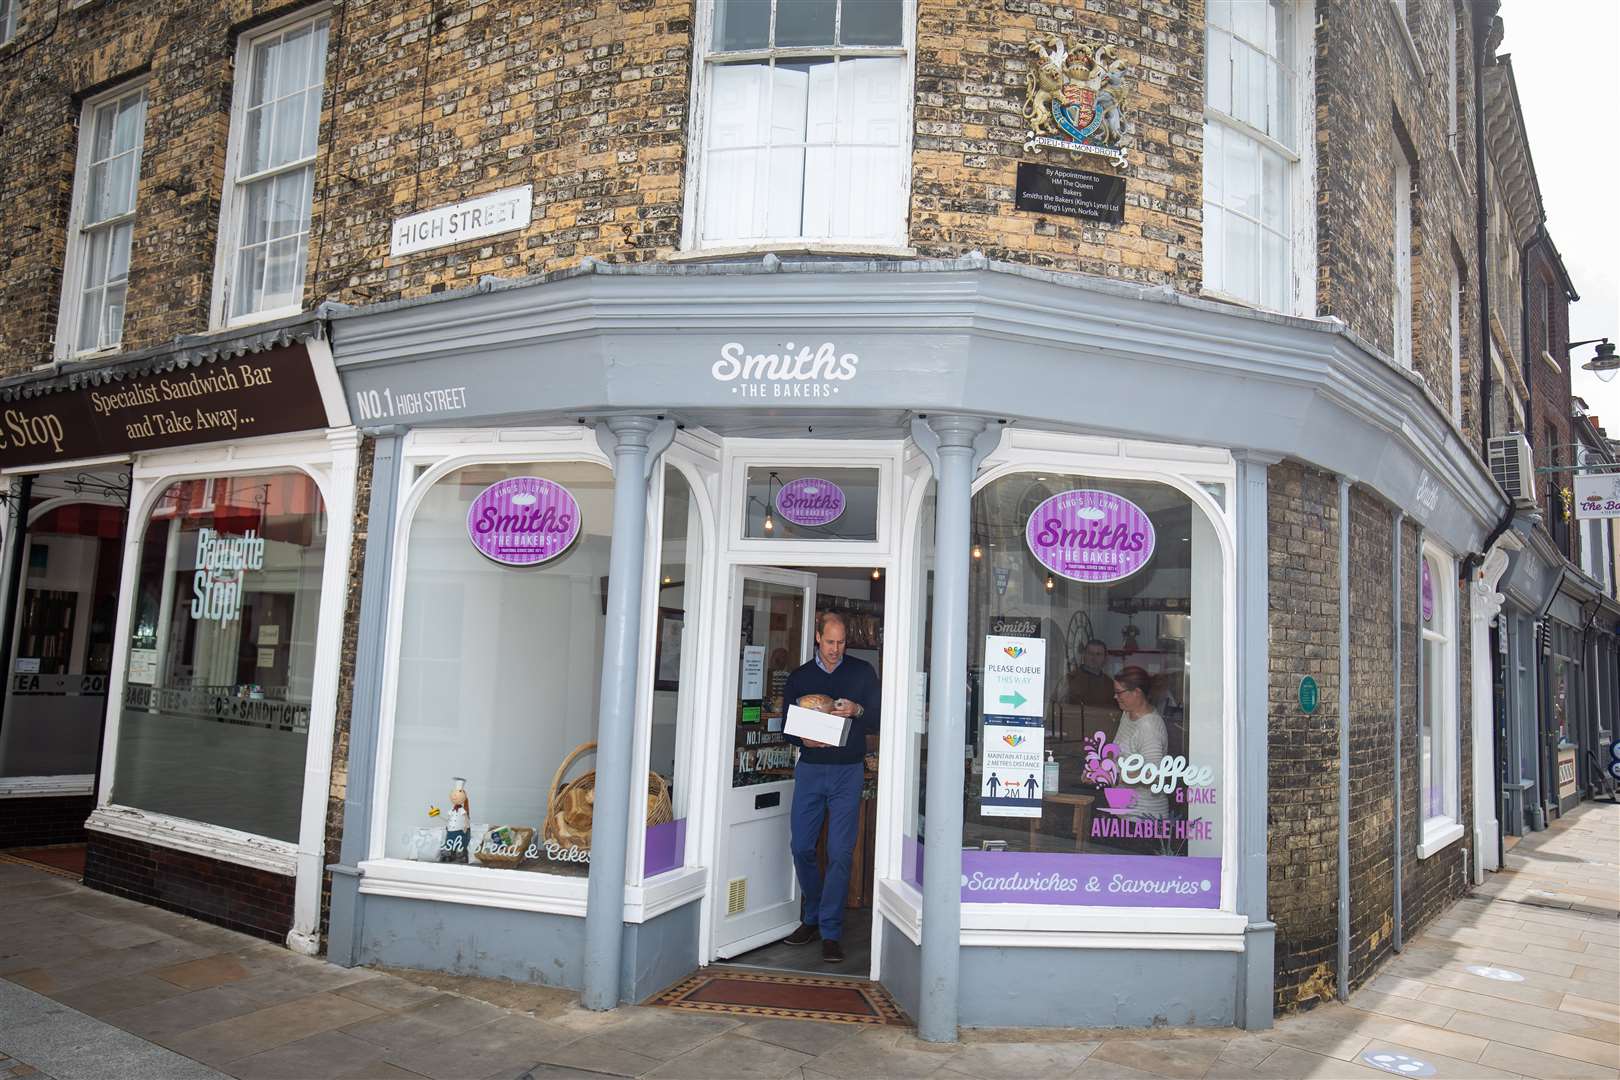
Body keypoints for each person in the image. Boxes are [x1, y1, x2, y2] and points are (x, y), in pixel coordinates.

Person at [780, 610, 880, 963]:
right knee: (802, 847)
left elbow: (882, 715)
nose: (836, 649)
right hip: (810, 770)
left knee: (840, 853)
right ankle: (814, 915)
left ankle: (831, 931)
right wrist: (803, 741)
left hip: (847, 772)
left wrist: (858, 710)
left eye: (841, 643)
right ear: (818, 639)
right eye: (830, 642)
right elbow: (786, 727)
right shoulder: (800, 677)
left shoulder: (861, 673)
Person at [1110, 666, 1170, 832]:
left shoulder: (1149, 727)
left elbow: (1153, 775)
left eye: (1119, 692)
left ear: (1136, 692)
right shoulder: (1128, 714)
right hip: (1124, 815)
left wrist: (1116, 776)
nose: (1115, 697)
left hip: (1144, 820)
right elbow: (1117, 751)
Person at [1068, 638, 1119, 740]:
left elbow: (1116, 713)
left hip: (1102, 735)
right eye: (1090, 653)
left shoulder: (1110, 684)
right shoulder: (1070, 679)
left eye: (1098, 654)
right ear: (1084, 656)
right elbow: (1056, 708)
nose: (1093, 658)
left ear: (1105, 658)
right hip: (1075, 734)